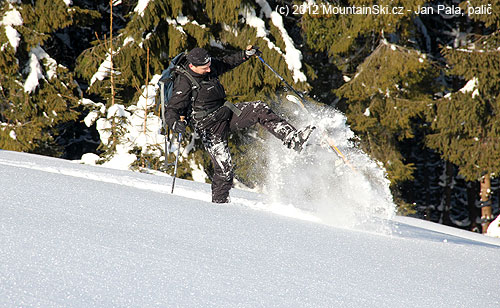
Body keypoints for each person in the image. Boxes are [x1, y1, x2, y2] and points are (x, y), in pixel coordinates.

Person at [165, 46, 315, 203]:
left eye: (209, 65)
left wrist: (245, 54)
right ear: (192, 66)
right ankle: (219, 207)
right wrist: (176, 124)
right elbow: (172, 110)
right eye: (205, 68)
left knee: (259, 108)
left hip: (225, 113)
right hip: (209, 127)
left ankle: (292, 138)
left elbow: (226, 63)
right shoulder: (184, 83)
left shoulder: (209, 66)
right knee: (224, 170)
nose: (209, 69)